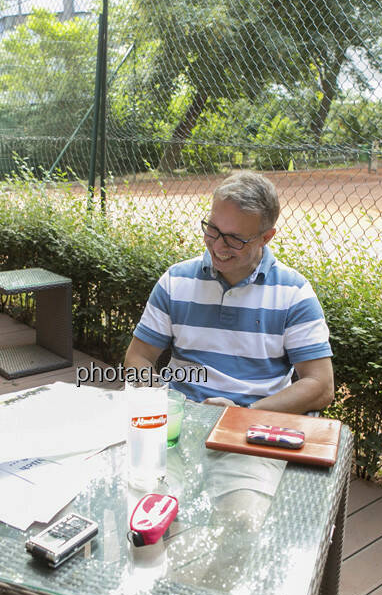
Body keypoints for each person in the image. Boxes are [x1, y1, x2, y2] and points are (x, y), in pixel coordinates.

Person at [124, 171, 334, 414]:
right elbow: (138, 357)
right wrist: (163, 405)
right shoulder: (175, 281)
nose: (217, 245)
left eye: (234, 239)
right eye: (212, 229)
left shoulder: (293, 293)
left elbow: (321, 385)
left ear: (266, 237)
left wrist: (240, 415)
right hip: (182, 420)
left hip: (253, 428)